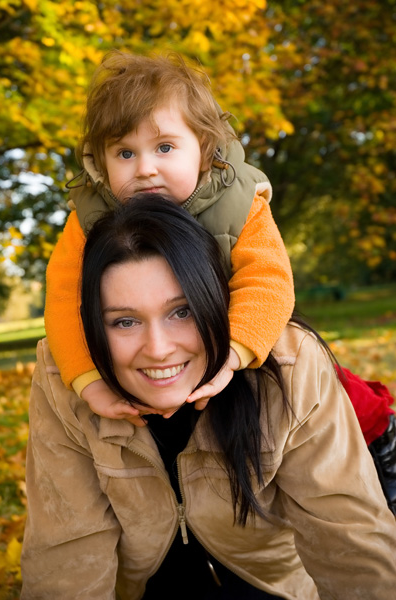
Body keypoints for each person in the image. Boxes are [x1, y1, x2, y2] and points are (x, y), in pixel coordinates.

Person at [21, 195, 396, 600]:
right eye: (124, 321)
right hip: (143, 585)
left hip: (272, 582)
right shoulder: (65, 381)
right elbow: (66, 557)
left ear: (216, 302)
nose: (159, 348)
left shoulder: (289, 365)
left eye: (181, 312)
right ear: (92, 327)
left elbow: (351, 543)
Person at [44, 50, 295, 425]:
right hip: (150, 370)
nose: (145, 169)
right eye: (125, 153)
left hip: (225, 350)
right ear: (100, 161)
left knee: (307, 370)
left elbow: (268, 281)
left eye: (164, 148)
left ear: (205, 153)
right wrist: (88, 381)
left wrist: (235, 352)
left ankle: (377, 433)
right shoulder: (89, 219)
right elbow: (64, 300)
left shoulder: (239, 204)